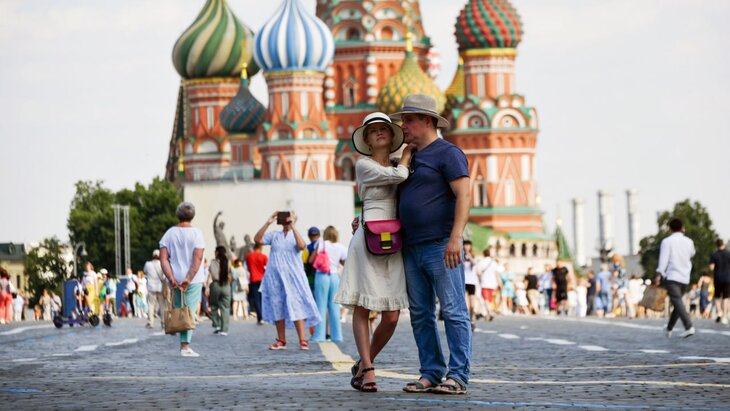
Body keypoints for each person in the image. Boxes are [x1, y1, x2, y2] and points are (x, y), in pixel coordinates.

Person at [391, 94, 472, 395]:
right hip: (411, 247)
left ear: (427, 121)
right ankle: (431, 372)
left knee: (452, 311)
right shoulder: (407, 158)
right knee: (421, 314)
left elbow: (464, 195)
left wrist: (456, 237)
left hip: (441, 245)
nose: (403, 126)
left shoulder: (448, 153)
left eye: (409, 120)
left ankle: (458, 375)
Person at [334, 111, 413, 392]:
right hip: (368, 238)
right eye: (373, 130)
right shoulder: (364, 164)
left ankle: (362, 363)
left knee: (391, 315)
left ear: (391, 136)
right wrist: (407, 156)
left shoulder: (397, 163)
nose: (379, 132)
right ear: (366, 139)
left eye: (384, 128)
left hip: (394, 240)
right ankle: (368, 369)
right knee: (363, 306)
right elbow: (398, 176)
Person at [254, 210, 320, 351]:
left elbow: (301, 246)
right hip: (275, 277)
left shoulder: (296, 235)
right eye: (285, 217)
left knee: (296, 305)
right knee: (277, 305)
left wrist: (293, 226)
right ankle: (281, 340)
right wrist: (268, 221)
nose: (287, 220)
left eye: (290, 217)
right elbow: (258, 240)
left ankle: (302, 339)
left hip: (293, 277)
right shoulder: (274, 235)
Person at [159, 201, 206, 357]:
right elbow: (198, 258)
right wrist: (189, 277)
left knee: (180, 308)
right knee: (189, 311)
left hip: (175, 277)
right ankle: (185, 347)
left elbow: (163, 259)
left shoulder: (169, 234)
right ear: (193, 216)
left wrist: (171, 277)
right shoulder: (197, 234)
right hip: (193, 279)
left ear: (177, 215)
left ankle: (182, 341)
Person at [657, 218, 696, 338]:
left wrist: (659, 273)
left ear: (670, 228)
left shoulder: (667, 241)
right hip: (685, 277)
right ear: (682, 227)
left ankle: (688, 326)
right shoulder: (689, 241)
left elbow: (663, 260)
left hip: (672, 276)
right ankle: (669, 328)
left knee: (678, 302)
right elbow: (692, 253)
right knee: (677, 303)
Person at [310, 226, 348, 343]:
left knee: (321, 306)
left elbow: (311, 260)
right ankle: (337, 336)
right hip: (334, 276)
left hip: (322, 276)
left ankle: (319, 336)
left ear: (325, 234)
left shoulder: (321, 244)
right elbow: (344, 263)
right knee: (334, 307)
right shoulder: (341, 247)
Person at [207, 246, 232, 336]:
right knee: (225, 308)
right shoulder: (228, 262)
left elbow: (210, 274)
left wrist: (207, 287)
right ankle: (224, 330)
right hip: (226, 285)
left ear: (217, 252)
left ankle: (217, 324)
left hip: (215, 285)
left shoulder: (213, 262)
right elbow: (230, 275)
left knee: (213, 306)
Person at [246, 242, 268, 325]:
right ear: (261, 247)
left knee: (256, 299)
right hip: (262, 279)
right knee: (262, 298)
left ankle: (260, 317)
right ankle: (262, 316)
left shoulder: (249, 256)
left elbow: (248, 268)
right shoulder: (264, 256)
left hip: (253, 279)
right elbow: (267, 268)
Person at [709, 238, 730, 325]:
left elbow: (711, 267)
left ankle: (719, 312)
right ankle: (724, 316)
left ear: (716, 245)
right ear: (723, 244)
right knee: (726, 297)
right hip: (727, 278)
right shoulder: (728, 254)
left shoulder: (714, 254)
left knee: (717, 296)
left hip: (717, 278)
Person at [144, 250, 166, 329]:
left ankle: (151, 322)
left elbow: (145, 272)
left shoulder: (148, 264)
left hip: (151, 287)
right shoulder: (162, 263)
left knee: (151, 305)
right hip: (160, 287)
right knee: (162, 305)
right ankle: (163, 322)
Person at [476, 249, 498, 321]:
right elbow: (497, 273)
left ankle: (490, 313)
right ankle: (487, 315)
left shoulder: (481, 262)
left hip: (484, 283)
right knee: (489, 300)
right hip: (493, 284)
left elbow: (478, 273)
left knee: (485, 300)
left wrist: (479, 278)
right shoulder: (494, 262)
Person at [463, 241, 479, 329]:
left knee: (472, 304)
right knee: (463, 302)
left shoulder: (473, 256)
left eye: (468, 245)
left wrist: (468, 254)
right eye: (465, 245)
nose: (466, 247)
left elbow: (473, 264)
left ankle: (472, 319)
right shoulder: (461, 255)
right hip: (463, 281)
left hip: (471, 282)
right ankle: (465, 320)